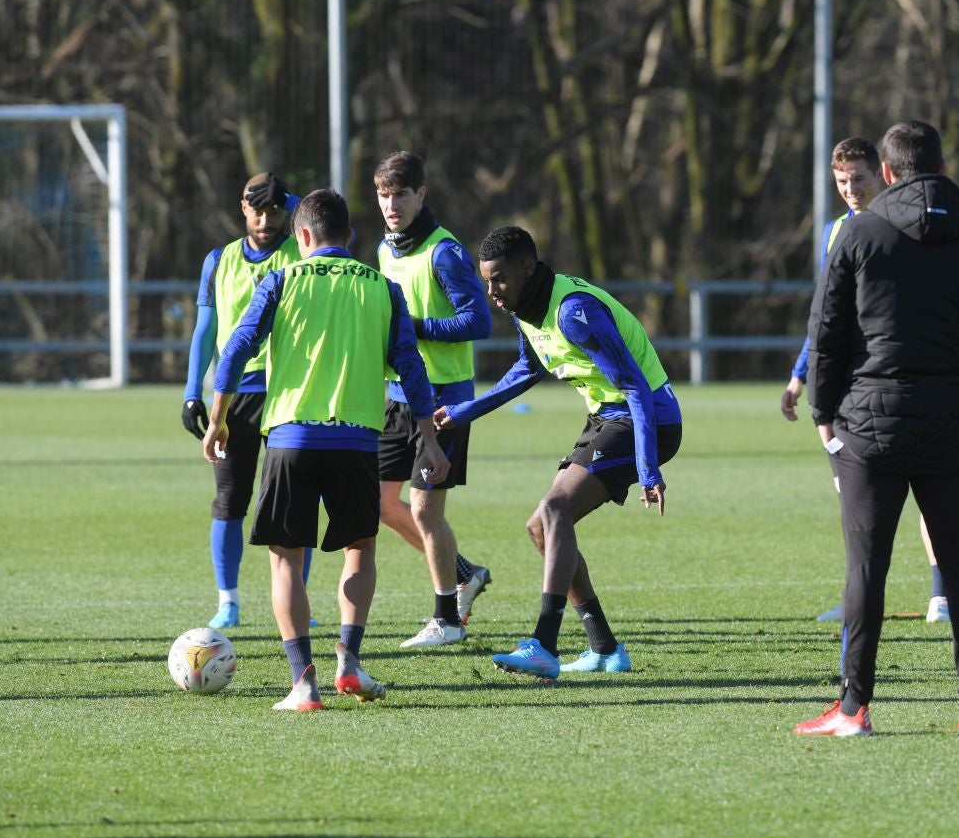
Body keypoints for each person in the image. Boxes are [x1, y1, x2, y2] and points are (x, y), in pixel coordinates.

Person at [794, 120, 959, 737]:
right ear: (942, 168)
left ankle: (853, 709)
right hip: (950, 426)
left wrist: (825, 414)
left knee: (867, 570)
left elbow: (826, 334)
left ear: (886, 172)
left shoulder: (857, 233)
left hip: (868, 427)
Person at [201, 188, 450, 711]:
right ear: (351, 237)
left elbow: (236, 348)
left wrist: (218, 418)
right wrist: (427, 437)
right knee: (360, 549)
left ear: (304, 236)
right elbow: (412, 367)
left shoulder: (281, 279)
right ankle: (350, 663)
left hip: (291, 436)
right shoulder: (382, 287)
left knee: (286, 560)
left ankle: (303, 683)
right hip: (359, 438)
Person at [433, 226, 682, 681]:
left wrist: (648, 469)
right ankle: (605, 649)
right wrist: (465, 411)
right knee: (541, 528)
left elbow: (636, 389)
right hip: (607, 417)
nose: (492, 292)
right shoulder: (527, 306)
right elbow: (527, 369)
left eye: (500, 280)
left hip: (645, 419)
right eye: (486, 281)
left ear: (527, 269)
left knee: (554, 509)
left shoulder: (573, 312)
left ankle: (544, 645)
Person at [780, 136, 950, 625]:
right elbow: (824, 313)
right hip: (848, 383)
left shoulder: (902, 223)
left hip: (894, 376)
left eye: (858, 178)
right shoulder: (835, 232)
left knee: (925, 488)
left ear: (880, 175)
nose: (851, 189)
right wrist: (799, 377)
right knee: (855, 497)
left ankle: (941, 593)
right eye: (842, 181)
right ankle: (860, 596)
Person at [371, 151, 493, 649]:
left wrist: (414, 328)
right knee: (379, 502)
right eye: (383, 195)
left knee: (424, 510)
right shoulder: (384, 250)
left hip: (444, 398)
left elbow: (479, 321)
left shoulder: (444, 252)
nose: (392, 204)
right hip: (397, 395)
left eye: (401, 194)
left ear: (421, 194)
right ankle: (464, 572)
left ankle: (446, 618)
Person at [182, 172, 313, 629]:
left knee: (292, 502)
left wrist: (294, 203)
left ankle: (300, 601)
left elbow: (336, 228)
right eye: (257, 208)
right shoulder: (219, 261)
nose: (265, 217)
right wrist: (190, 392)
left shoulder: (302, 250)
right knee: (230, 499)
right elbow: (204, 331)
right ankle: (228, 602)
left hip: (288, 394)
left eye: (276, 209)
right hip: (232, 398)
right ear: (242, 207)